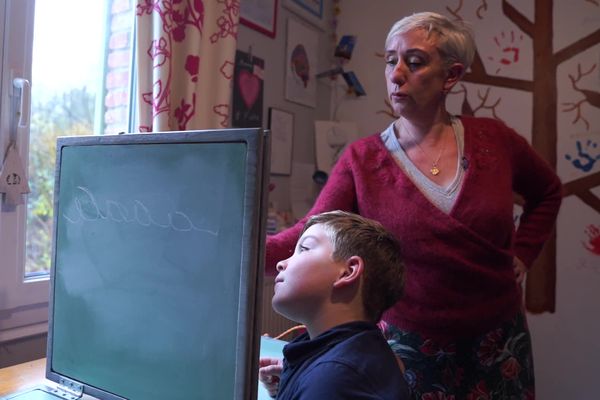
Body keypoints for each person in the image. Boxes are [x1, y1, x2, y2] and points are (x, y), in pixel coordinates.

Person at [264, 11, 562, 399]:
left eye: (414, 62)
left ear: (451, 76)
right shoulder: (362, 159)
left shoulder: (496, 141)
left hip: (498, 340)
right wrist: (237, 246)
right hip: (409, 346)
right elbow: (306, 234)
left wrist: (524, 252)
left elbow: (548, 192)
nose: (396, 73)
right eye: (391, 60)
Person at [259, 210, 410, 399]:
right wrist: (296, 382)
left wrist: (317, 384)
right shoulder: (354, 359)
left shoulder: (336, 380)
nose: (281, 263)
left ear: (348, 272)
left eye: (304, 248)